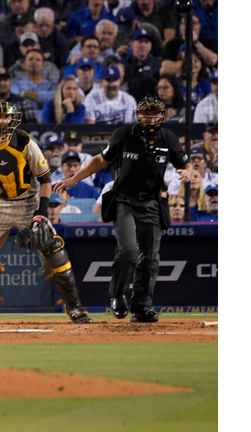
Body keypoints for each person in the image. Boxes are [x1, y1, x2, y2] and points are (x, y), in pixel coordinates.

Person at [54, 96, 194, 323]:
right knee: (129, 250)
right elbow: (101, 159)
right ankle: (118, 296)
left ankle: (141, 308)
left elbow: (184, 162)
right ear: (138, 115)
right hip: (124, 199)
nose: (150, 117)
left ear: (162, 115)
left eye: (155, 113)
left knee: (150, 257)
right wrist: (74, 179)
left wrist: (187, 171)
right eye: (146, 113)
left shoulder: (168, 138)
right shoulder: (125, 134)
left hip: (152, 202)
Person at [0, 100, 92, 324]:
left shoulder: (25, 142)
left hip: (28, 201)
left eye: (6, 117)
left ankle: (75, 308)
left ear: (13, 119)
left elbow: (45, 179)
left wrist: (41, 212)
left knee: (54, 248)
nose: (3, 121)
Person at [10, 49, 56, 121]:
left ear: (43, 66)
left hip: (48, 122)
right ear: (24, 65)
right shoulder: (14, 83)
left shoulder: (52, 85)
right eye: (31, 59)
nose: (34, 62)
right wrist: (42, 99)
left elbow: (54, 98)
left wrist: (26, 94)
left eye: (38, 60)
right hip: (23, 121)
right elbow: (15, 100)